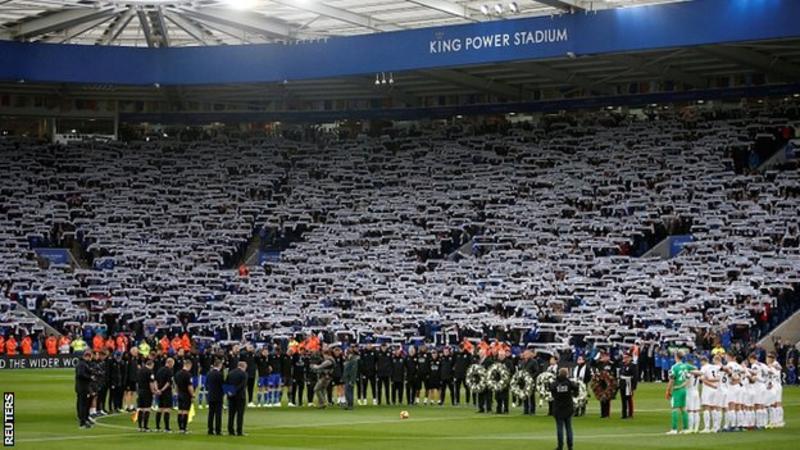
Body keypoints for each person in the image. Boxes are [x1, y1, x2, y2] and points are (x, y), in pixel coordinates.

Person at [665, 351, 696, 435]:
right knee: (683, 409)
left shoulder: (674, 367)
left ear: (676, 357)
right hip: (684, 390)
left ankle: (674, 429)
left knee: (674, 408)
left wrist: (667, 390)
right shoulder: (686, 365)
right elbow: (695, 368)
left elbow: (671, 380)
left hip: (677, 389)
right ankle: (686, 428)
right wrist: (688, 377)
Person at [550, 368, 578, 450]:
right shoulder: (569, 383)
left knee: (559, 428)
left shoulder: (554, 384)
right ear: (567, 374)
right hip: (568, 407)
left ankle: (560, 446)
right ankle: (570, 446)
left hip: (558, 408)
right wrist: (574, 394)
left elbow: (552, 391)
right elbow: (576, 387)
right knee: (569, 427)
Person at [226, 361, 248, 436]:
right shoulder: (244, 374)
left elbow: (226, 383)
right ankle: (239, 431)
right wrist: (235, 391)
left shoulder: (230, 373)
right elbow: (242, 385)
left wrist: (230, 392)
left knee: (231, 414)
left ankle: (230, 430)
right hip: (240, 397)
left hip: (231, 397)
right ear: (243, 366)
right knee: (240, 414)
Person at [155, 357, 175, 432]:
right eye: (172, 364)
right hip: (166, 392)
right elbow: (168, 382)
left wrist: (157, 390)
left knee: (160, 408)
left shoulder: (159, 370)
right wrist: (162, 390)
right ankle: (166, 428)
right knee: (167, 409)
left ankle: (157, 427)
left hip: (159, 392)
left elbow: (156, 381)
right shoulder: (169, 371)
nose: (172, 366)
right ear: (169, 363)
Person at [136, 359, 157, 432]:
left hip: (140, 391)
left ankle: (139, 427)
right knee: (147, 409)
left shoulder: (140, 370)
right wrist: (153, 391)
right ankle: (145, 427)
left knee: (140, 409)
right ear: (151, 365)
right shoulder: (150, 372)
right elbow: (151, 383)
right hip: (147, 392)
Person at [75, 350, 94, 429]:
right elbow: (80, 374)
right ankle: (82, 422)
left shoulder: (83, 364)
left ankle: (85, 419)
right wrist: (90, 377)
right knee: (83, 405)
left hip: (83, 387)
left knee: (84, 404)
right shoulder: (82, 364)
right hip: (82, 387)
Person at [175, 359, 194, 434]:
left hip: (180, 393)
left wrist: (177, 392)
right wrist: (192, 395)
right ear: (188, 365)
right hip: (186, 394)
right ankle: (184, 428)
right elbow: (190, 386)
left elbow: (176, 385)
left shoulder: (177, 374)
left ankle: (180, 428)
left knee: (180, 410)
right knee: (185, 411)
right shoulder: (188, 375)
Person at [206, 358, 224, 436]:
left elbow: (206, 384)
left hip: (210, 395)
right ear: (219, 365)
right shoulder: (220, 374)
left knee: (211, 413)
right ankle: (218, 430)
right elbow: (222, 385)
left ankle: (210, 429)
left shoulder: (209, 373)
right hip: (218, 396)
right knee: (218, 414)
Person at [618, 353, 638, 419]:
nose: (625, 359)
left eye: (626, 357)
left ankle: (630, 414)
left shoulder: (633, 366)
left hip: (629, 383)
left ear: (630, 358)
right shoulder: (622, 365)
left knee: (629, 399)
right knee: (623, 399)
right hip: (622, 383)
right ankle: (624, 414)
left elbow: (635, 376)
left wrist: (634, 386)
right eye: (624, 357)